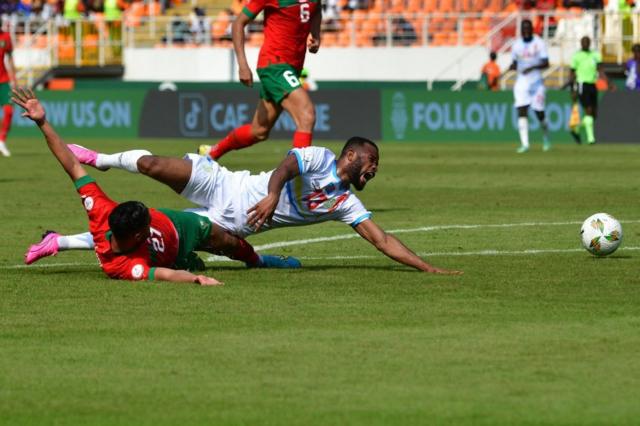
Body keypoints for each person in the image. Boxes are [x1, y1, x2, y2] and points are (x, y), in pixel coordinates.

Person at [46, 138, 462, 275]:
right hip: (229, 184)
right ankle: (99, 159)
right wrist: (273, 194)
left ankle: (60, 242)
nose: (375, 172)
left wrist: (429, 268)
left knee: (150, 235)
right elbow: (287, 165)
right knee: (155, 165)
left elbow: (382, 239)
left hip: (227, 222)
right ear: (353, 157)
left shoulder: (345, 203)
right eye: (373, 164)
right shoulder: (319, 157)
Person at [14, 88, 300, 285]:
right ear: (140, 235)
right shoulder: (128, 267)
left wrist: (43, 123)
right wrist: (196, 279)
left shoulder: (101, 211)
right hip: (175, 242)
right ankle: (238, 261)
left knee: (228, 243)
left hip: (183, 225)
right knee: (196, 262)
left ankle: (258, 261)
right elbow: (164, 276)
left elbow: (71, 166)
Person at [197, 0, 322, 160]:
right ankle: (298, 179)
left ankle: (212, 152)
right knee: (306, 115)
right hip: (275, 65)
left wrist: (315, 34)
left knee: (259, 131)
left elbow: (317, 9)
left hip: (292, 68)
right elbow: (238, 24)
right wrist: (242, 65)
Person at [509, 19, 551, 153]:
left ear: (532, 29)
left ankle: (546, 137)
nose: (526, 31)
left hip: (536, 81)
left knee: (539, 113)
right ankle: (525, 144)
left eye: (528, 28)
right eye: (524, 28)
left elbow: (546, 63)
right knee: (522, 110)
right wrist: (512, 67)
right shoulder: (516, 45)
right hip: (522, 81)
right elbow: (515, 63)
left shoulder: (538, 43)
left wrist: (532, 67)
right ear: (521, 30)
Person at [568, 36, 609, 145]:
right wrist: (572, 89)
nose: (585, 44)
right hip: (582, 84)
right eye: (583, 42)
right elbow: (572, 73)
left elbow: (600, 70)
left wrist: (608, 83)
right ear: (581, 43)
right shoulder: (576, 56)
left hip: (592, 85)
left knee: (594, 114)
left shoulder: (595, 55)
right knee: (588, 110)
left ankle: (575, 128)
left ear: (590, 43)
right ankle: (591, 139)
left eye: (587, 42)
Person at [0, 27, 16, 157]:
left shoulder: (5, 37)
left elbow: (10, 58)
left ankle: (2, 141)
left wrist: (13, 79)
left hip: (3, 81)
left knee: (9, 111)